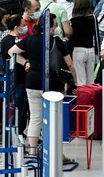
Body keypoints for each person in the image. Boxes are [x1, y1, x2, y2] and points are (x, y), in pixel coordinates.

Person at [8, 15, 76, 155]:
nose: (56, 27)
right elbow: (69, 63)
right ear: (49, 26)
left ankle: (33, 151)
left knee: (35, 117)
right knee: (54, 118)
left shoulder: (29, 39)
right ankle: (55, 153)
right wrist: (75, 81)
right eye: (55, 25)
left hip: (32, 81)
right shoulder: (56, 41)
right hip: (52, 83)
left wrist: (26, 62)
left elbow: (11, 52)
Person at [68, 0, 98, 86]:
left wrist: (69, 52)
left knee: (80, 81)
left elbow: (72, 39)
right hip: (91, 50)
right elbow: (96, 36)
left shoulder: (73, 20)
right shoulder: (93, 18)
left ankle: (83, 99)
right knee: (91, 80)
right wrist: (97, 51)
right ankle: (91, 98)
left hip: (78, 50)